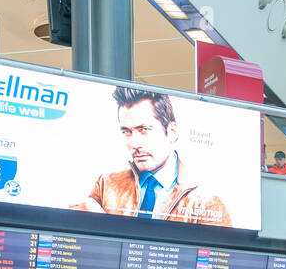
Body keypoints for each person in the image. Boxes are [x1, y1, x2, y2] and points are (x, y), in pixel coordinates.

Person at [76, 87, 232, 226]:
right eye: (127, 132)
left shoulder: (205, 202)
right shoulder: (106, 185)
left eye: (144, 129)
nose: (134, 143)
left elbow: (223, 256)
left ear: (171, 132)